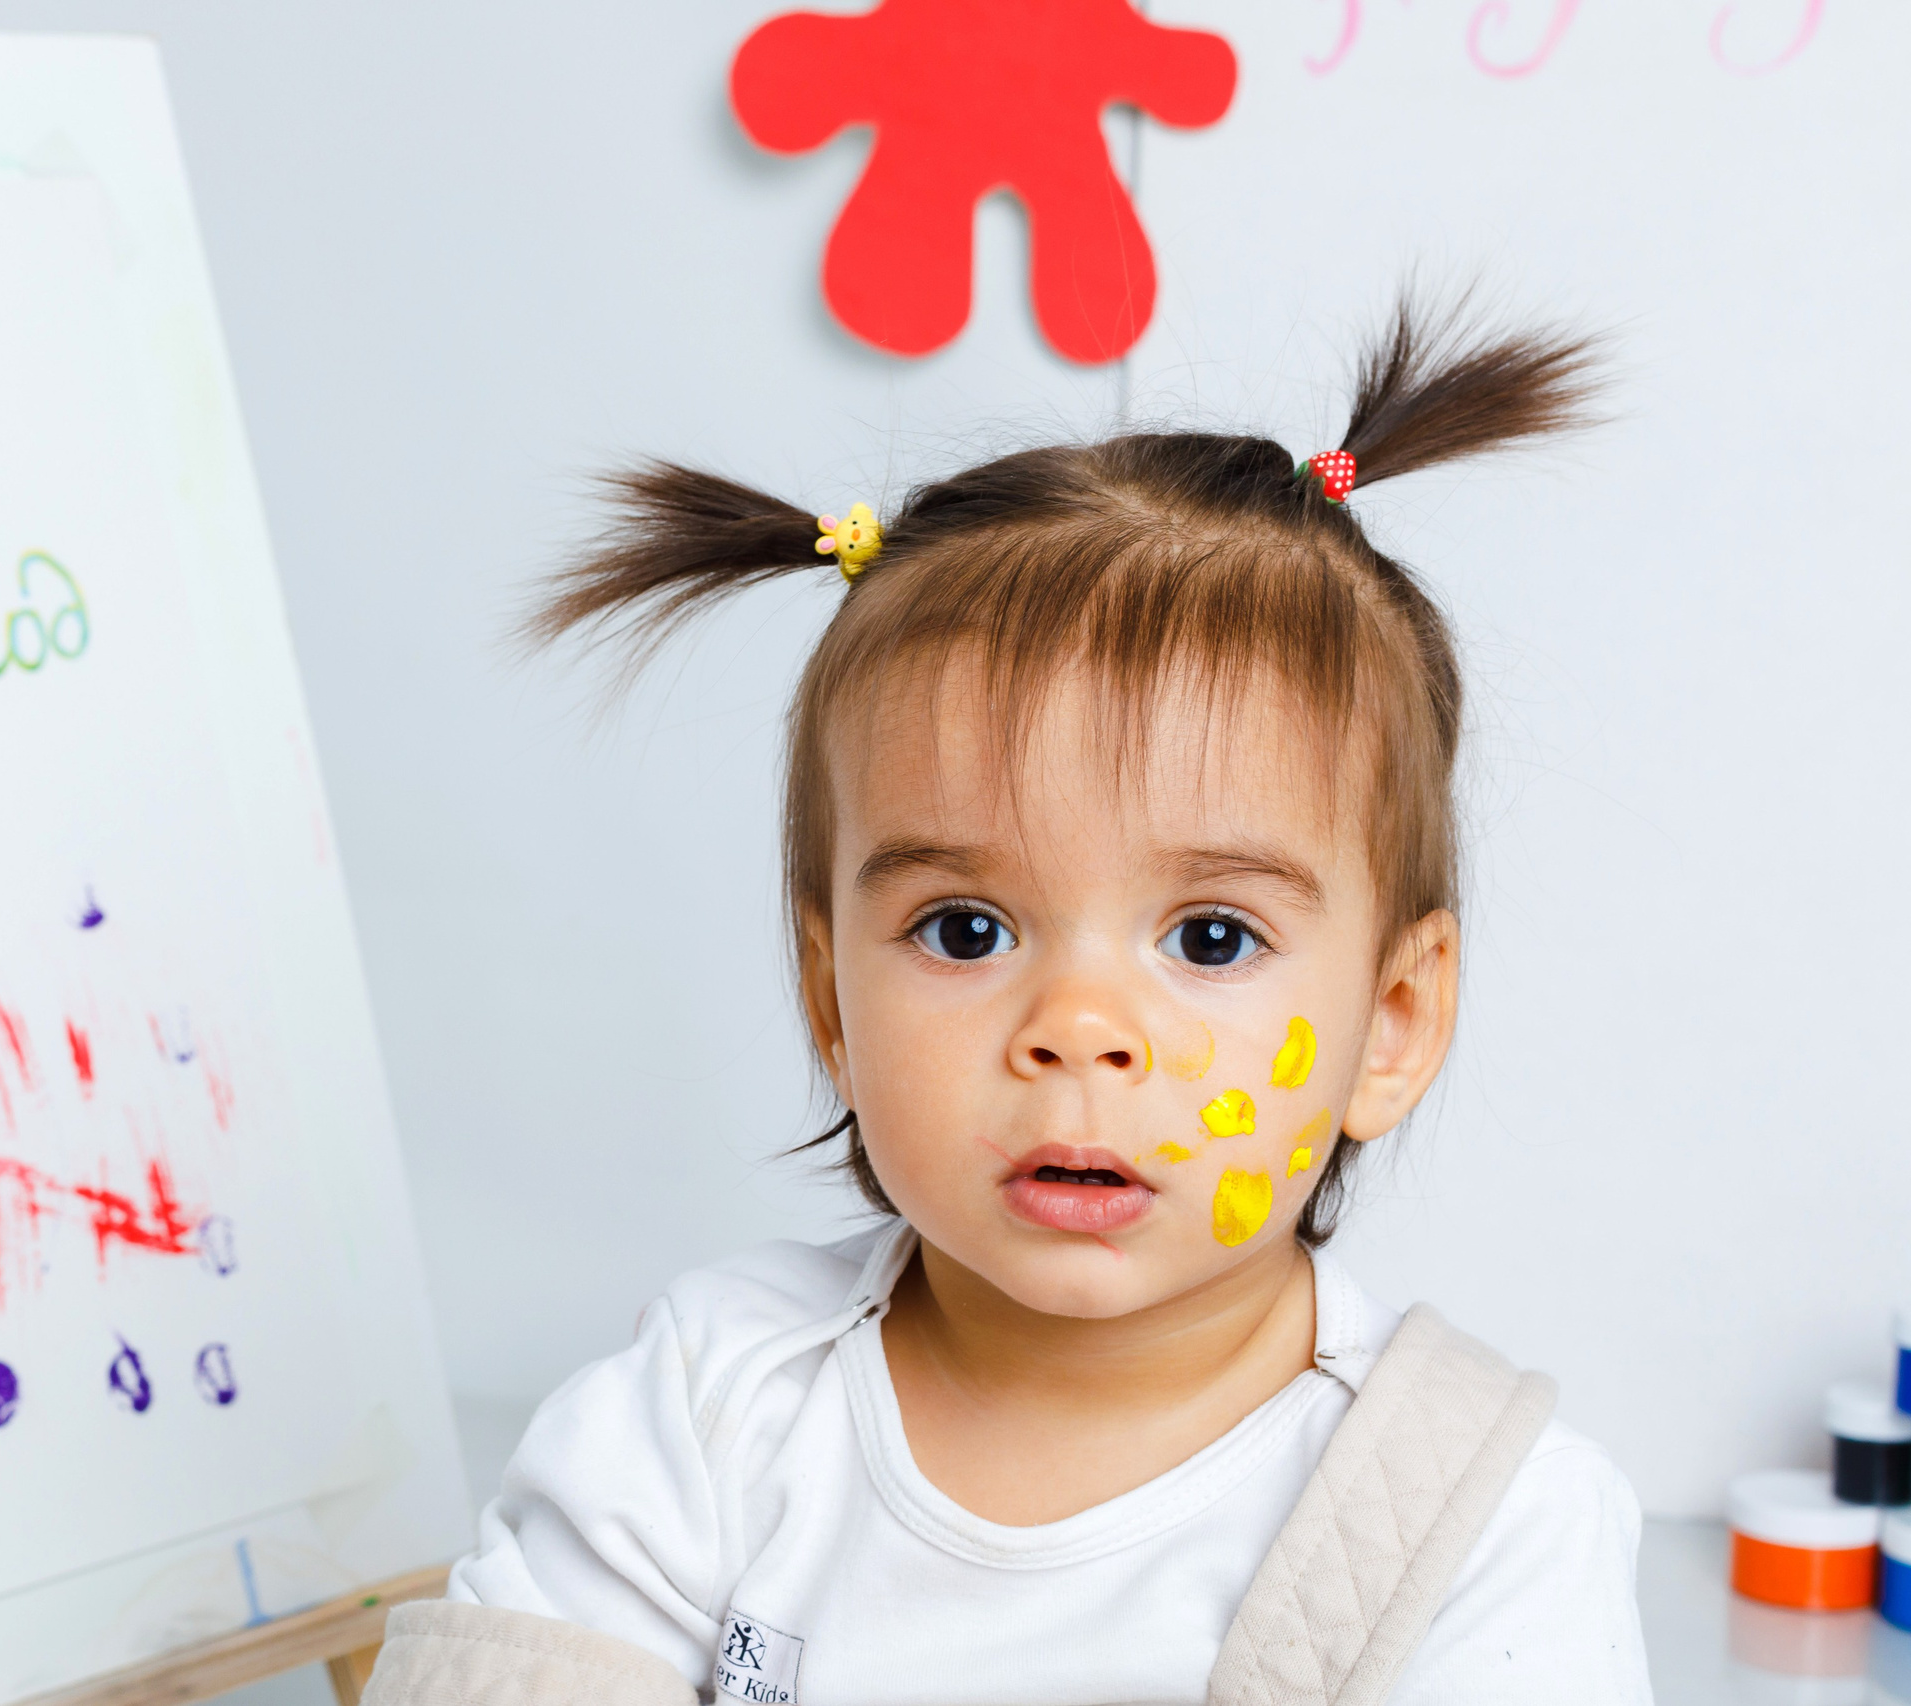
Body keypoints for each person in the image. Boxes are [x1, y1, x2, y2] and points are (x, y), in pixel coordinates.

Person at [368, 297, 1648, 1705]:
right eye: (965, 927)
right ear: (831, 1004)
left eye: (1212, 936)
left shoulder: (1476, 1522)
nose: (1080, 1026)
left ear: (1391, 1024)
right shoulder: (704, 1414)